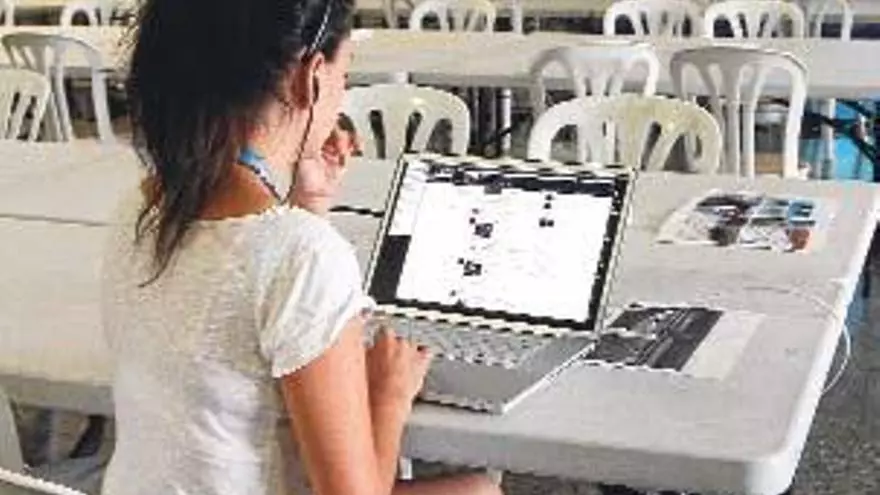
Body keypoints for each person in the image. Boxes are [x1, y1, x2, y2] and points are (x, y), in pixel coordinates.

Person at [100, 1, 503, 494]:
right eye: (344, 76)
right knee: (479, 490)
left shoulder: (142, 208)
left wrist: (308, 206)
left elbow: (252, 287)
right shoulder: (304, 256)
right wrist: (389, 394)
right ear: (310, 79)